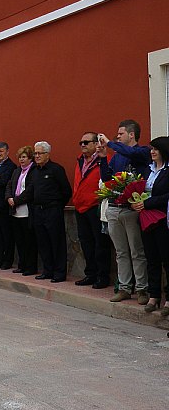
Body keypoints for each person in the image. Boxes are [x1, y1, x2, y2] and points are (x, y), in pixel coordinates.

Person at [97, 119, 150, 304]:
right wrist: (104, 157)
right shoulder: (118, 155)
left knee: (137, 251)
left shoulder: (142, 152)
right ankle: (125, 288)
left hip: (131, 209)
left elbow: (131, 152)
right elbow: (107, 178)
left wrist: (111, 144)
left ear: (131, 134)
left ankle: (142, 289)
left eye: (120, 134)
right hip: (114, 208)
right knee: (121, 252)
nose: (117, 137)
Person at [131, 136, 169, 315]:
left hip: (163, 220)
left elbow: (167, 196)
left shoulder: (168, 171)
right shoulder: (148, 170)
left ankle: (168, 299)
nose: (152, 152)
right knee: (151, 258)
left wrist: (148, 203)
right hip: (146, 220)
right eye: (151, 149)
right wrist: (134, 200)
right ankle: (154, 296)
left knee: (166, 260)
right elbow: (139, 189)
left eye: (155, 149)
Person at [27, 141, 72, 283]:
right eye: (35, 153)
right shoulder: (34, 171)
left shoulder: (56, 169)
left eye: (40, 153)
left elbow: (66, 191)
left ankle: (59, 273)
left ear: (47, 154)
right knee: (43, 242)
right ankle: (48, 270)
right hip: (38, 211)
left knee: (56, 242)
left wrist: (57, 206)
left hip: (53, 210)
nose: (37, 156)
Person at [72, 133, 111, 289]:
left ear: (96, 144)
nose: (82, 145)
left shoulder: (103, 160)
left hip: (95, 206)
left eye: (86, 142)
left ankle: (103, 276)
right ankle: (91, 274)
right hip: (80, 207)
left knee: (100, 243)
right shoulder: (80, 161)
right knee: (86, 242)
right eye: (81, 142)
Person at [5, 146, 37, 275]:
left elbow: (30, 190)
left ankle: (31, 267)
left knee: (29, 241)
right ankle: (22, 265)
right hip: (15, 211)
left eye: (24, 157)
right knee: (20, 241)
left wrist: (17, 200)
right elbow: (9, 185)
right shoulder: (17, 171)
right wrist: (9, 197)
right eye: (20, 157)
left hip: (27, 211)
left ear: (30, 158)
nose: (21, 160)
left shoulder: (33, 171)